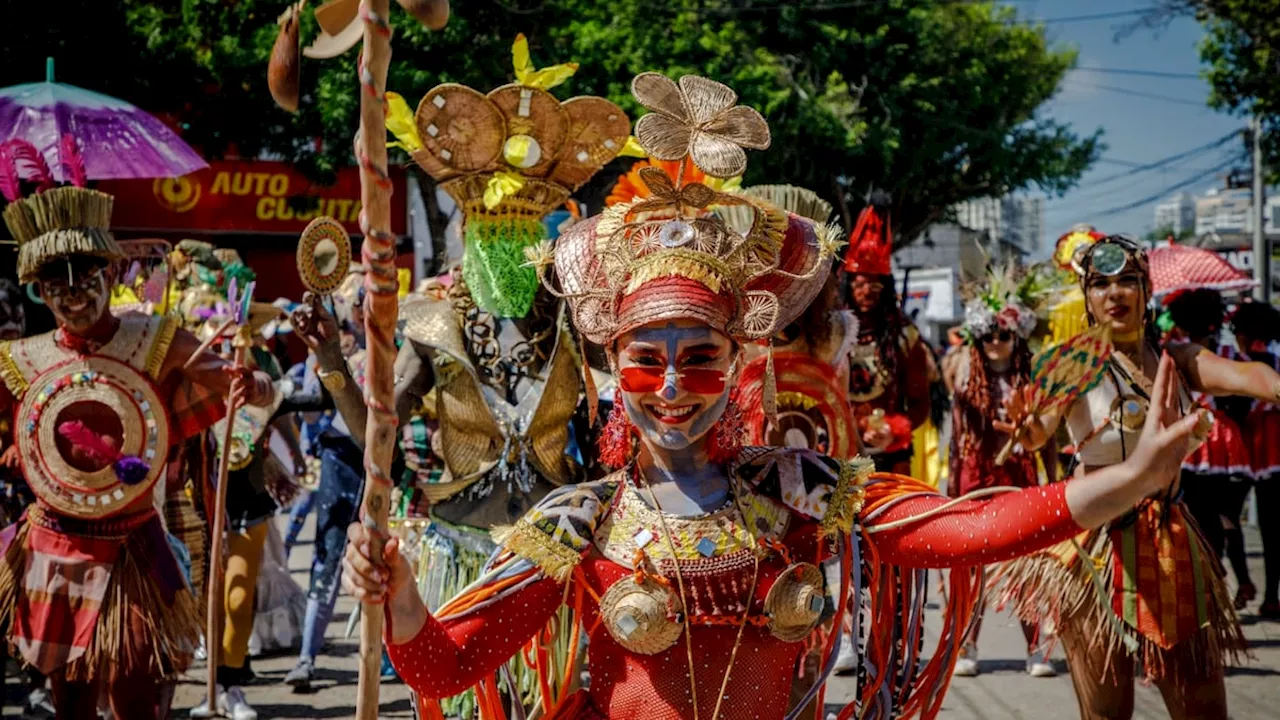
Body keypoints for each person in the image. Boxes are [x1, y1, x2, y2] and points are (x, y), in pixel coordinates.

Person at [342, 72, 1206, 720]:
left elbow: (966, 531)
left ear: (740, 356)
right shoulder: (583, 519)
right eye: (647, 360)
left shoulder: (797, 489)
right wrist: (404, 602)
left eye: (700, 358)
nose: (674, 386)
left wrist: (1127, 482)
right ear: (612, 369)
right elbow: (441, 670)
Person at [383, 42, 630, 717]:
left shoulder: (576, 326)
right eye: (486, 239)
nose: (499, 257)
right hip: (459, 550)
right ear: (469, 240)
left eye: (513, 241)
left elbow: (629, 395)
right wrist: (333, 368)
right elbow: (378, 430)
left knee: (547, 705)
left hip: (551, 554)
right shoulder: (432, 322)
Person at [0, 177, 274, 720]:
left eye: (85, 277)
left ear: (109, 274)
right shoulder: (20, 361)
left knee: (135, 694)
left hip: (132, 547)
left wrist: (254, 384)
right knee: (70, 700)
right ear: (38, 288)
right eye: (56, 282)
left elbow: (243, 383)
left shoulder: (157, 340)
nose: (73, 293)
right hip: (55, 547)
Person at [994, 234, 1280, 720]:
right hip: (1090, 547)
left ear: (1147, 291)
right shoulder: (1069, 362)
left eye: (1128, 280)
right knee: (1106, 713)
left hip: (1169, 541)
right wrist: (1027, 427)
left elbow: (1250, 376)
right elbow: (1037, 431)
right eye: (1101, 283)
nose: (1115, 293)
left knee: (1203, 708)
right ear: (1087, 297)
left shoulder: (1178, 358)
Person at [946, 264, 1056, 679]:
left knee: (1026, 563)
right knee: (971, 564)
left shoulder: (1034, 376)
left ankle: (1037, 647)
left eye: (1004, 334)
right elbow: (956, 439)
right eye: (987, 334)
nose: (995, 342)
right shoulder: (962, 372)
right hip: (974, 477)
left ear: (1017, 335)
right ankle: (967, 644)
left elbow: (1046, 436)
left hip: (1019, 476)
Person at [1164, 289, 1256, 608]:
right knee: (1224, 518)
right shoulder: (1228, 356)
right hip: (1226, 444)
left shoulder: (1174, 356)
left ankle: (1215, 583)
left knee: (1201, 519)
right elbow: (1245, 402)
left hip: (1196, 443)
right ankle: (1230, 581)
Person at [840, 192, 932, 474]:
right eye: (861, 284)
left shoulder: (903, 337)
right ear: (849, 286)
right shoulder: (830, 334)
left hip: (892, 460)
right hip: (839, 453)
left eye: (876, 285)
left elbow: (920, 403)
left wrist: (893, 430)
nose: (868, 292)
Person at [1229, 300, 1280, 619]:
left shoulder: (1237, 363)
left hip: (1242, 447)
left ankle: (1244, 581)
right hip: (1274, 447)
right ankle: (1270, 595)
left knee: (1226, 515)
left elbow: (1234, 408)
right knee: (1272, 525)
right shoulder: (1274, 360)